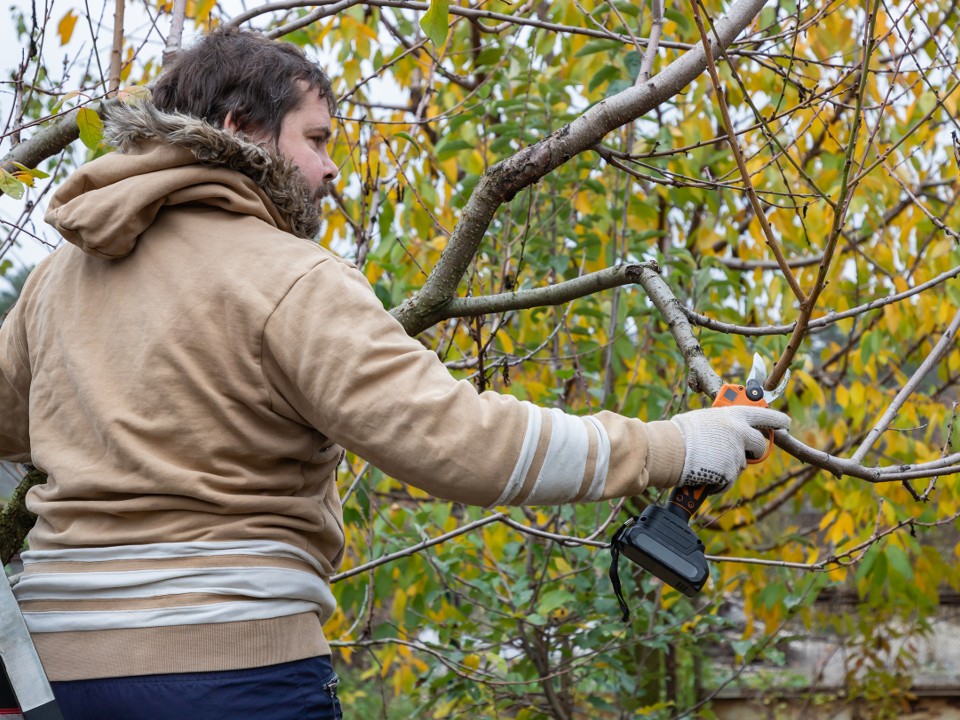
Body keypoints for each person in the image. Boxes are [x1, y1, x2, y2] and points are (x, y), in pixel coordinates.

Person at [0, 28, 790, 720]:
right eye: (317, 140)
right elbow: (455, 442)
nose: (332, 169)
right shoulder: (288, 277)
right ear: (240, 128)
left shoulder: (55, 281)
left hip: (54, 674)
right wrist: (671, 447)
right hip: (229, 668)